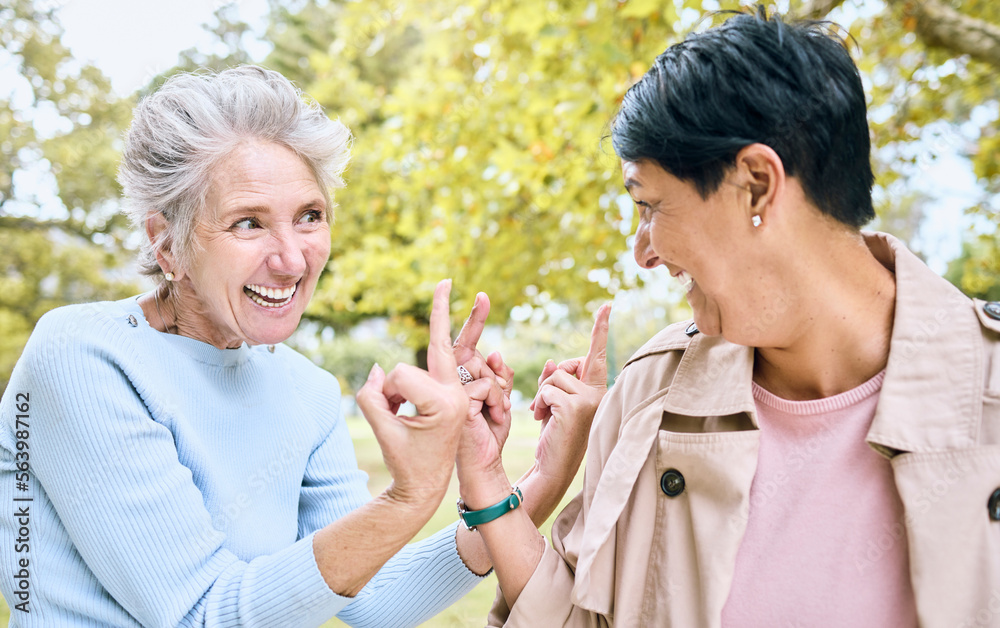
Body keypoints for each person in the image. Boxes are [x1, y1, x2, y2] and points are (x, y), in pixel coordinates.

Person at [453, 7, 1000, 627]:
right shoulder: (648, 393)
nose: (644, 250)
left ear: (758, 185)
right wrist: (492, 480)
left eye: (650, 204)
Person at [0, 65, 573, 627]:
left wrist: (518, 480)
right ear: (167, 244)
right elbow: (202, 615)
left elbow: (374, 600)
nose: (293, 259)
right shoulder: (81, 355)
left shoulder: (308, 390)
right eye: (248, 223)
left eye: (309, 216)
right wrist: (410, 496)